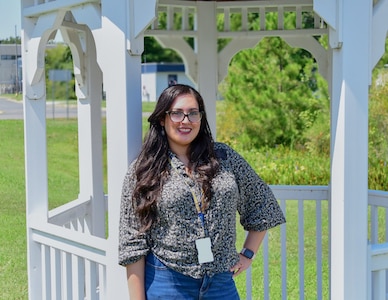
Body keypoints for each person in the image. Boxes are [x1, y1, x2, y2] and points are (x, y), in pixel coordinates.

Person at [118, 84, 286, 300]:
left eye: (193, 113)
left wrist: (248, 254)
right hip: (167, 281)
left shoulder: (224, 157)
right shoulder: (144, 170)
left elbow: (262, 203)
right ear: (162, 118)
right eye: (176, 113)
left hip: (220, 283)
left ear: (201, 118)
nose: (185, 120)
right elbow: (132, 242)